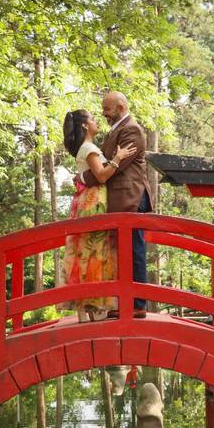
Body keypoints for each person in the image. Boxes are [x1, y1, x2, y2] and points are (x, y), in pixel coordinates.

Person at [78, 91, 151, 318]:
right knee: (123, 251)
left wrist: (82, 178)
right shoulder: (117, 129)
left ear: (120, 107)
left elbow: (108, 168)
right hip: (122, 199)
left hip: (131, 198)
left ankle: (137, 304)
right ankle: (126, 301)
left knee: (134, 249)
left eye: (107, 109)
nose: (103, 113)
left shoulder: (131, 130)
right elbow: (107, 162)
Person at [61, 109, 136, 321]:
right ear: (85, 125)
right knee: (92, 253)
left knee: (89, 252)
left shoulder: (90, 147)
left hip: (92, 200)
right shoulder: (89, 148)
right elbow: (102, 176)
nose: (97, 121)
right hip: (93, 201)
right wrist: (118, 158)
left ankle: (88, 309)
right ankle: (87, 308)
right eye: (93, 119)